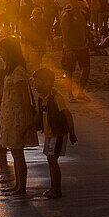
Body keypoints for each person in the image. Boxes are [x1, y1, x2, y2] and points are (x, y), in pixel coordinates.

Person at [0, 37, 37, 195]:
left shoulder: (19, 70)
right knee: (15, 151)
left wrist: (28, 118)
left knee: (18, 152)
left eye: (2, 49)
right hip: (10, 114)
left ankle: (22, 187)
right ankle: (18, 185)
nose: (0, 53)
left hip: (18, 116)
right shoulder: (10, 68)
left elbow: (25, 96)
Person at [32, 68, 77, 199]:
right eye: (35, 82)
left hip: (58, 134)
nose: (35, 85)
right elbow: (39, 118)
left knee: (52, 160)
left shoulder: (56, 97)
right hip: (49, 135)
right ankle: (53, 188)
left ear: (47, 82)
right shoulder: (42, 98)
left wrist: (72, 133)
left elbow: (67, 115)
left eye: (38, 82)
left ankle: (56, 190)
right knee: (50, 161)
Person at [59, 0, 91, 101]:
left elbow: (84, 30)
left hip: (82, 47)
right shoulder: (67, 15)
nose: (81, 2)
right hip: (71, 48)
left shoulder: (82, 14)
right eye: (78, 1)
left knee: (86, 69)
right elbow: (64, 33)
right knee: (69, 72)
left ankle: (81, 92)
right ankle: (70, 94)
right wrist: (67, 48)